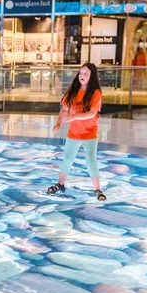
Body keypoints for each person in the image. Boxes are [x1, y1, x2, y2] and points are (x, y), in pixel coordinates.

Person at [48, 63, 106, 201]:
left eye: (86, 73)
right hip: (74, 133)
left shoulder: (96, 93)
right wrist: (58, 122)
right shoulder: (73, 91)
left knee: (91, 160)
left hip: (90, 132)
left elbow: (92, 113)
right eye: (81, 73)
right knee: (67, 159)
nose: (82, 76)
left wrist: (73, 117)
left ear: (92, 77)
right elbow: (64, 109)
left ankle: (97, 189)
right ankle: (60, 184)